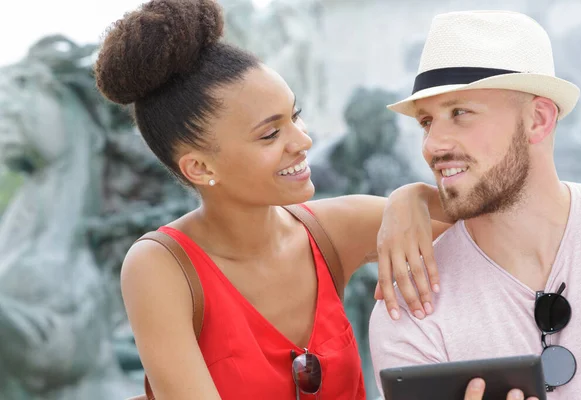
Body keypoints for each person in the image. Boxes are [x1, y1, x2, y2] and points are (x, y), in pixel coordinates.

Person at [94, 0, 451, 399]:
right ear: (199, 168)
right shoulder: (161, 268)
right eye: (269, 134)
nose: (304, 141)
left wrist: (413, 197)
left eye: (294, 116)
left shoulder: (332, 230)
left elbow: (498, 216)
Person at [370, 9, 581, 400]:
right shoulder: (411, 311)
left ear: (538, 120)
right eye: (426, 121)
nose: (432, 145)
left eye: (460, 113)